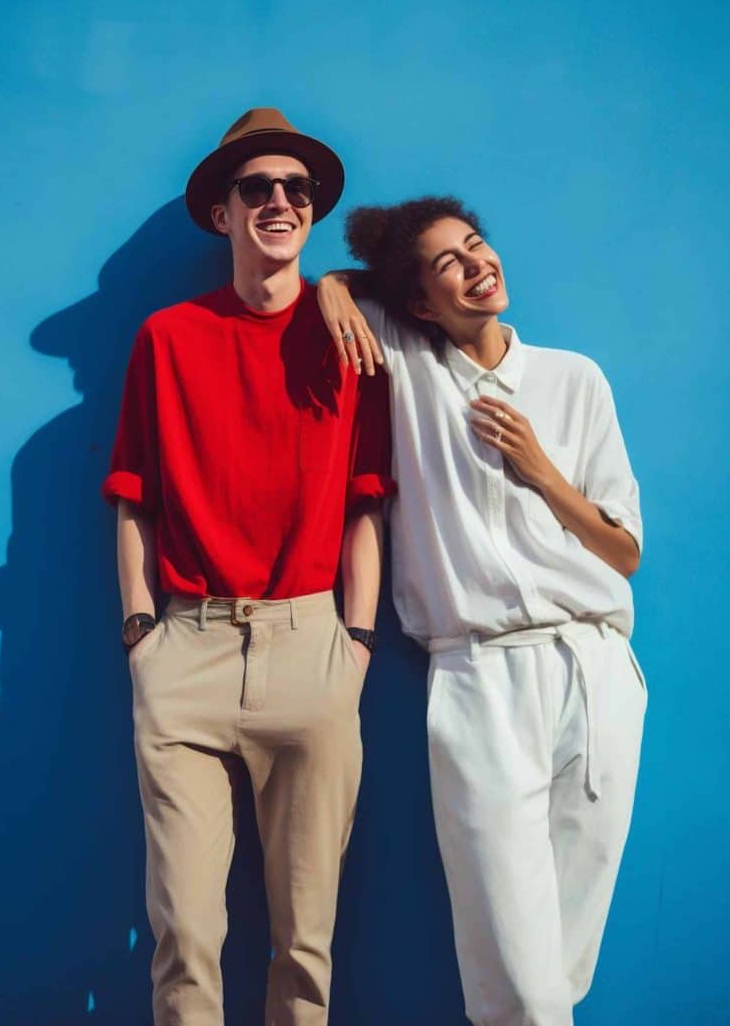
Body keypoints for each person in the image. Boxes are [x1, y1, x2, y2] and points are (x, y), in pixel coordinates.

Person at [318, 196, 646, 1026]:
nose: (477, 264)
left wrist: (541, 469)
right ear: (419, 303)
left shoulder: (576, 379)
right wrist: (329, 286)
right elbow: (349, 291)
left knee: (562, 964)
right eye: (448, 264)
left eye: (476, 245)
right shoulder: (412, 369)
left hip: (595, 668)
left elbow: (625, 551)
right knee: (517, 967)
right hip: (480, 674)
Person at [102, 108, 395, 1026]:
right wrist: (141, 631)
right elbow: (132, 495)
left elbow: (366, 503)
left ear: (311, 212)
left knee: (306, 942)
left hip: (311, 644)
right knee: (185, 936)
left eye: (296, 189)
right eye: (256, 187)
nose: (278, 199)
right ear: (222, 214)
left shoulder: (353, 344)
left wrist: (353, 641)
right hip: (184, 646)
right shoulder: (168, 337)